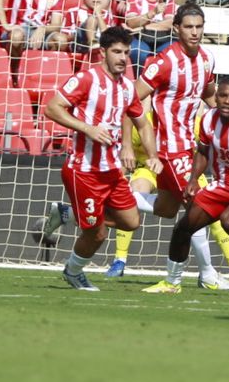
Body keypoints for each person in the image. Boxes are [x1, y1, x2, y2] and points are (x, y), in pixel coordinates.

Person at [42, 26, 158, 292]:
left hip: (111, 171)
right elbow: (52, 107)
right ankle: (73, 272)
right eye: (116, 52)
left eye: (126, 53)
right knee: (97, 234)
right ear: (102, 52)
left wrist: (153, 156)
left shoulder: (128, 87)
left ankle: (67, 213)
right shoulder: (86, 79)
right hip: (83, 170)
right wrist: (88, 128)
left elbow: (142, 123)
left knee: (131, 222)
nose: (122, 58)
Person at [136, 3, 229, 293]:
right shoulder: (164, 61)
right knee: (199, 206)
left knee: (166, 208)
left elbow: (208, 93)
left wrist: (227, 120)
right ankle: (205, 274)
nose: (194, 32)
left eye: (199, 27)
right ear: (176, 28)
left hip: (188, 146)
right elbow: (132, 96)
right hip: (169, 148)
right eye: (189, 27)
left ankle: (108, 199)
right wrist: (138, 139)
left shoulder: (206, 59)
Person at [154, 77, 229, 292]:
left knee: (228, 221)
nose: (227, 101)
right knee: (183, 228)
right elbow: (202, 152)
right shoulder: (208, 119)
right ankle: (172, 283)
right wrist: (193, 179)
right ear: (216, 96)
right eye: (223, 95)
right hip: (221, 185)